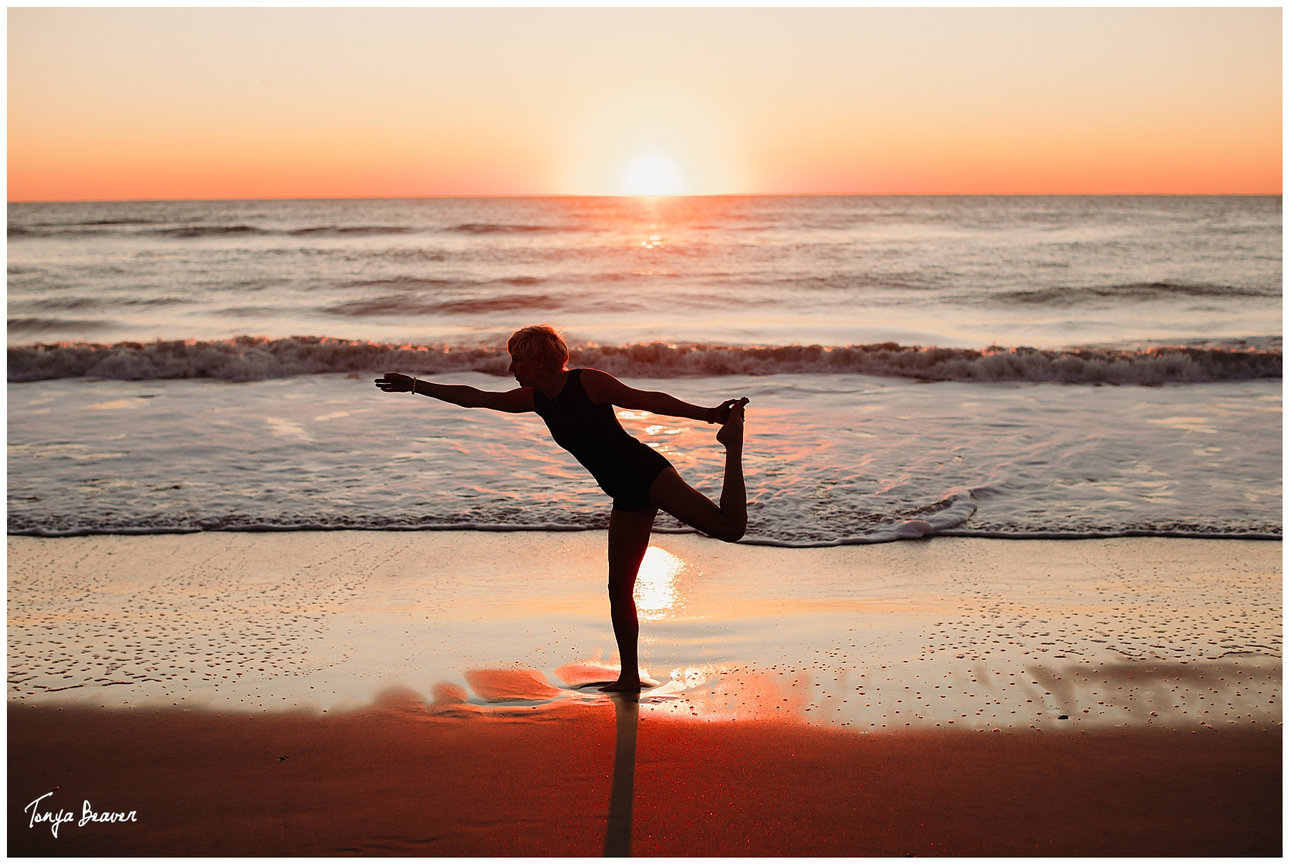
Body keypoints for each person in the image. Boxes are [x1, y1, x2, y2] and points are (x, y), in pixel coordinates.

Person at [375, 324, 748, 691]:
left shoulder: (587, 383)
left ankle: (731, 444)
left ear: (538, 360)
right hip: (623, 493)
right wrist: (415, 385)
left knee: (730, 529)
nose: (511, 369)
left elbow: (646, 400)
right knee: (618, 588)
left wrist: (710, 415)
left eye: (516, 360)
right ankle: (629, 677)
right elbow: (476, 397)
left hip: (647, 474)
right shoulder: (535, 399)